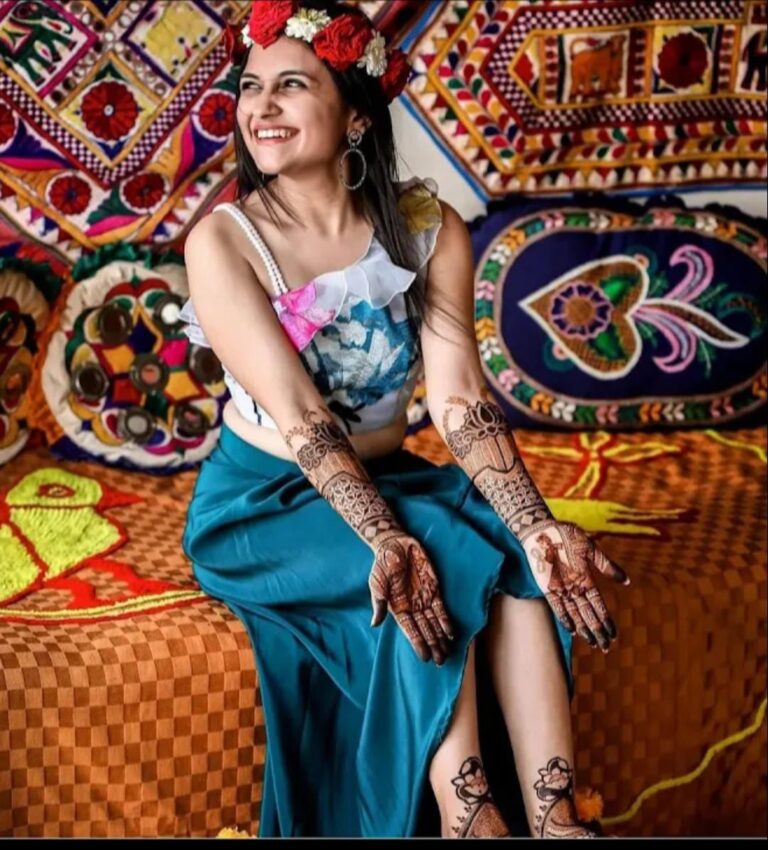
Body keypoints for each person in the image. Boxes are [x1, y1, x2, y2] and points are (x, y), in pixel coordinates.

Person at [180, 0, 631, 838]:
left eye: (291, 86)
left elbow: (458, 401)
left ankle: (556, 816)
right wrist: (386, 536)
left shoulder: (428, 228)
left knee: (516, 553)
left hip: (389, 475)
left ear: (356, 115)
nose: (261, 107)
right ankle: (470, 817)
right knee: (436, 562)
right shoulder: (225, 242)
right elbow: (302, 416)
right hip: (265, 502)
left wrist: (536, 522)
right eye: (250, 87)